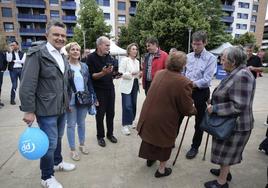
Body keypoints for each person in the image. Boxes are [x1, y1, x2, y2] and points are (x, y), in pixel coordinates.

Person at [19, 20, 75, 188]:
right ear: (47, 35)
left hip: (61, 107)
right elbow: (27, 84)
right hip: (46, 109)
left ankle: (57, 163)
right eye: (56, 35)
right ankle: (46, 176)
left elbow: (65, 82)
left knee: (57, 139)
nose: (60, 38)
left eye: (63, 35)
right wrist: (28, 110)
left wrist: (68, 101)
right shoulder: (37, 53)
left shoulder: (61, 55)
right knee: (49, 143)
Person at [137, 51, 196, 178]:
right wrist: (193, 110)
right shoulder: (184, 81)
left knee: (151, 138)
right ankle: (161, 170)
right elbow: (186, 108)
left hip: (148, 114)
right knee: (165, 142)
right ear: (183, 65)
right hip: (164, 118)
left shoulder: (159, 73)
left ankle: (150, 158)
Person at [204, 46, 256, 188]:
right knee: (224, 151)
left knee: (226, 154)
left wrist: (215, 108)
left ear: (233, 62)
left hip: (237, 125)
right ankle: (225, 173)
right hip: (230, 122)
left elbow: (239, 105)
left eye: (223, 59)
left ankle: (222, 182)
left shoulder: (242, 75)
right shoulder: (236, 72)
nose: (221, 61)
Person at [184, 30, 217, 159]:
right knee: (178, 116)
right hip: (186, 90)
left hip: (201, 91)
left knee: (199, 122)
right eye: (194, 44)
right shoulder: (188, 56)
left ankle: (194, 147)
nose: (195, 47)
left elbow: (207, 79)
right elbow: (183, 73)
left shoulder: (211, 58)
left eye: (198, 44)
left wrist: (191, 84)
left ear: (205, 43)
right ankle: (171, 140)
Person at [65, 42, 97, 161]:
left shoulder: (84, 66)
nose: (75, 51)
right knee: (71, 125)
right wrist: (65, 101)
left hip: (83, 98)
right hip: (70, 99)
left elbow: (89, 83)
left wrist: (93, 97)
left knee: (81, 123)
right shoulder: (65, 66)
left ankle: (82, 145)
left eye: (77, 50)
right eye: (73, 49)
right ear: (68, 52)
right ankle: (73, 150)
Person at [86, 36, 119, 147]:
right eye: (107, 45)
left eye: (109, 45)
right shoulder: (90, 58)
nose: (109, 47)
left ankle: (110, 134)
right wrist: (103, 73)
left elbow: (112, 72)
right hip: (98, 91)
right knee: (100, 115)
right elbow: (92, 76)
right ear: (99, 45)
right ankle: (100, 136)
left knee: (111, 113)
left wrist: (115, 74)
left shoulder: (109, 57)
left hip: (110, 89)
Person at [119, 43, 141, 135]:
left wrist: (139, 75)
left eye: (136, 49)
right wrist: (132, 74)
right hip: (126, 85)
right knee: (127, 105)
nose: (135, 51)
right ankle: (125, 125)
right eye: (133, 49)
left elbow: (137, 74)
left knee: (134, 104)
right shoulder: (125, 60)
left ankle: (131, 121)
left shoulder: (137, 61)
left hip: (135, 84)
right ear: (129, 51)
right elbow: (120, 73)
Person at [6, 40, 26, 105]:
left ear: (17, 45)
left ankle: (24, 99)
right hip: (13, 70)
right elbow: (9, 60)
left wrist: (14, 61)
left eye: (14, 45)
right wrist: (10, 52)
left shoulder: (23, 53)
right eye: (12, 45)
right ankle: (12, 99)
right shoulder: (9, 53)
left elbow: (23, 61)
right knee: (14, 85)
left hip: (21, 70)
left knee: (23, 85)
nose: (13, 46)